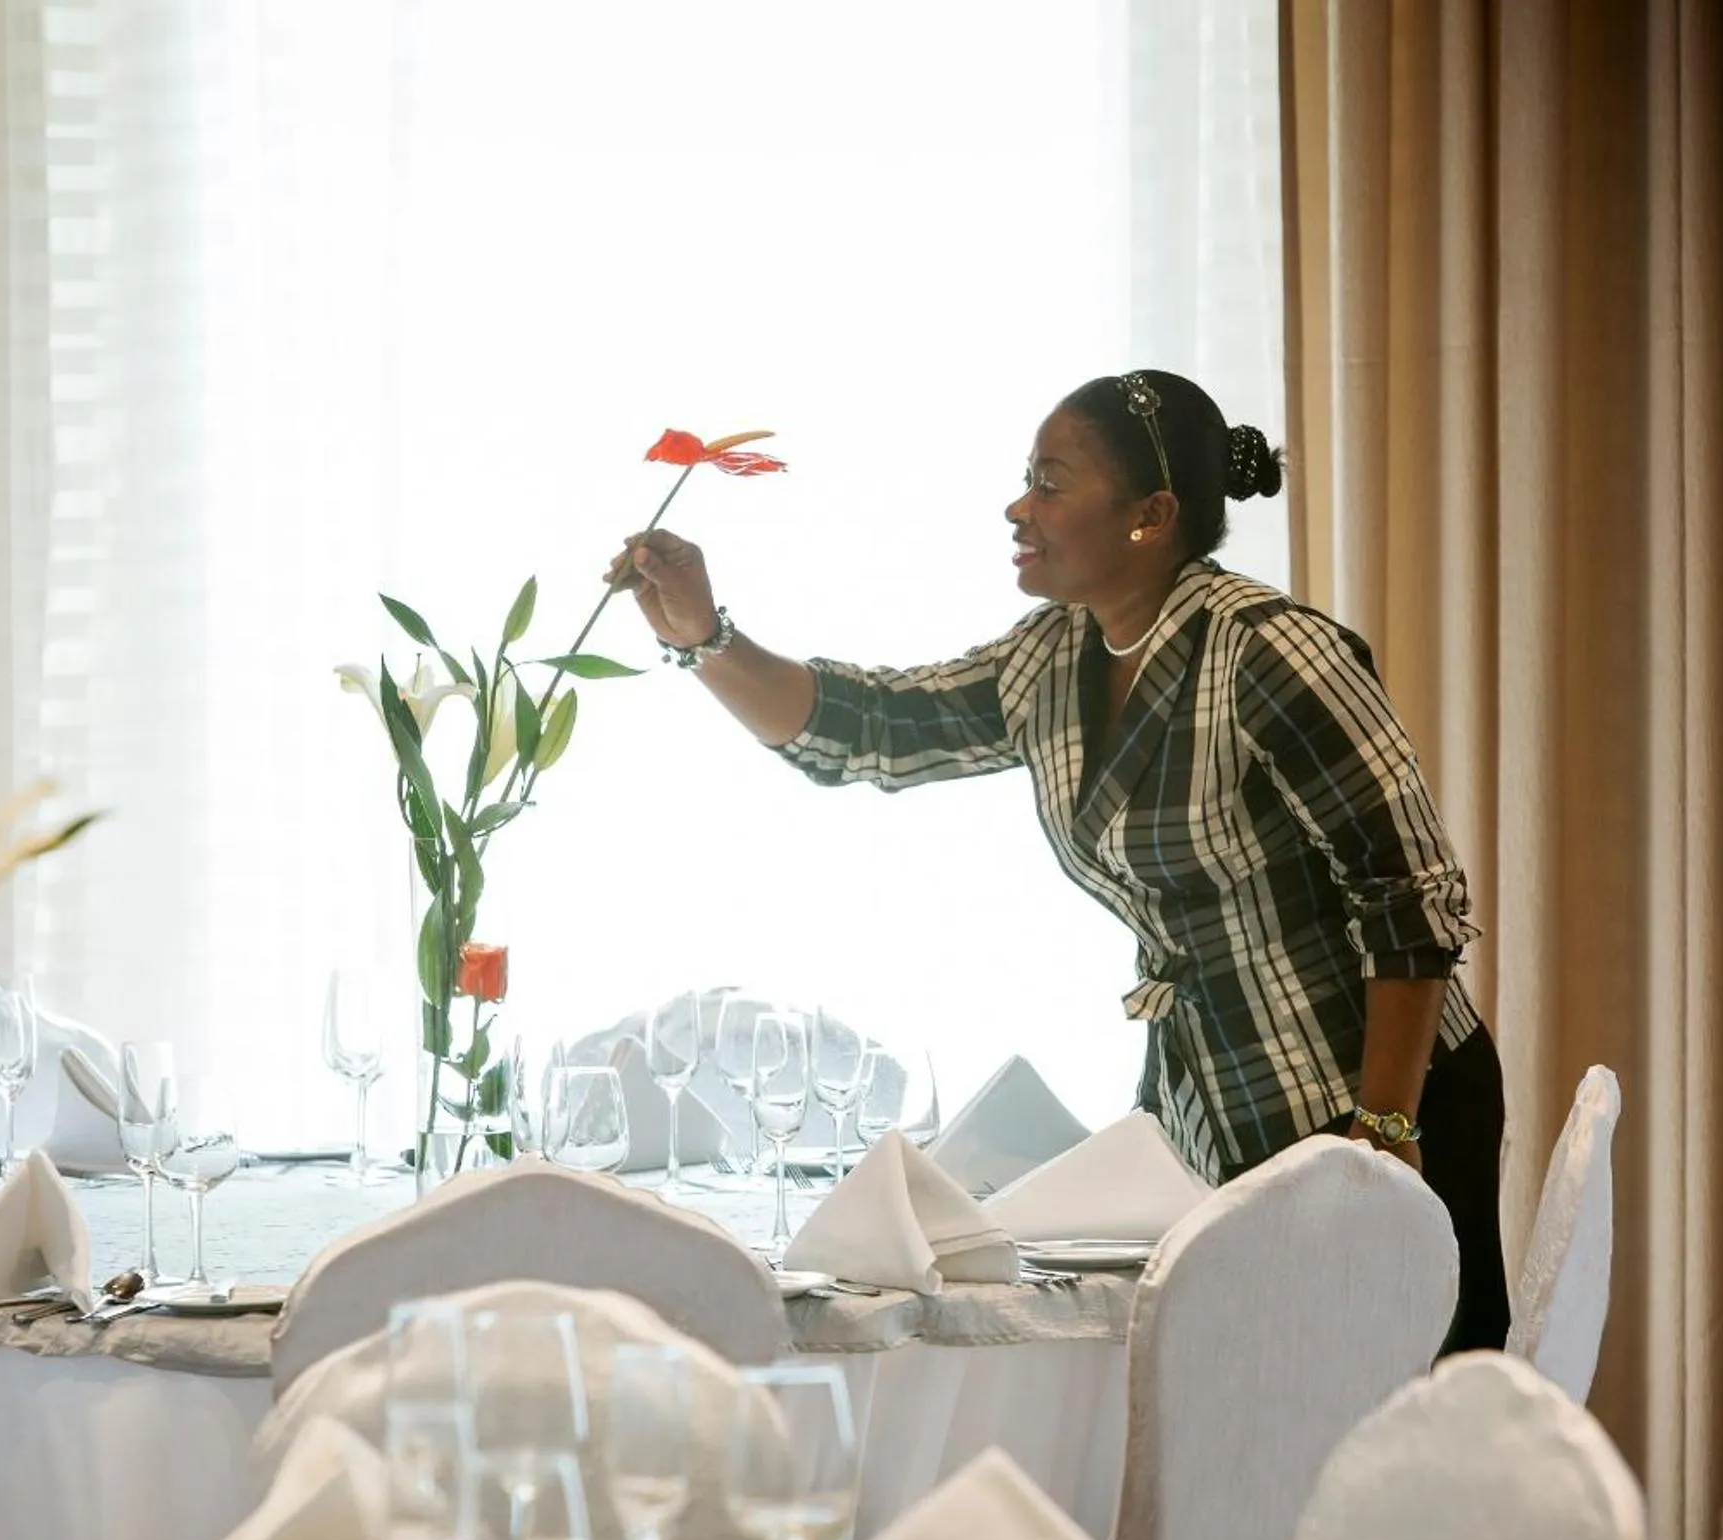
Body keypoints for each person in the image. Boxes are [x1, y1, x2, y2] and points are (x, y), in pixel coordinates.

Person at [607, 370, 1509, 1352]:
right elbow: (868, 729)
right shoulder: (1055, 657)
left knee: (1385, 1431)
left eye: (1048, 482)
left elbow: (1408, 896)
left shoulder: (1271, 653)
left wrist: (1381, 1135)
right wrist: (704, 636)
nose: (1017, 507)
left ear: (1150, 516)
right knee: (1252, 1425)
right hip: (1218, 1107)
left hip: (1380, 1100)